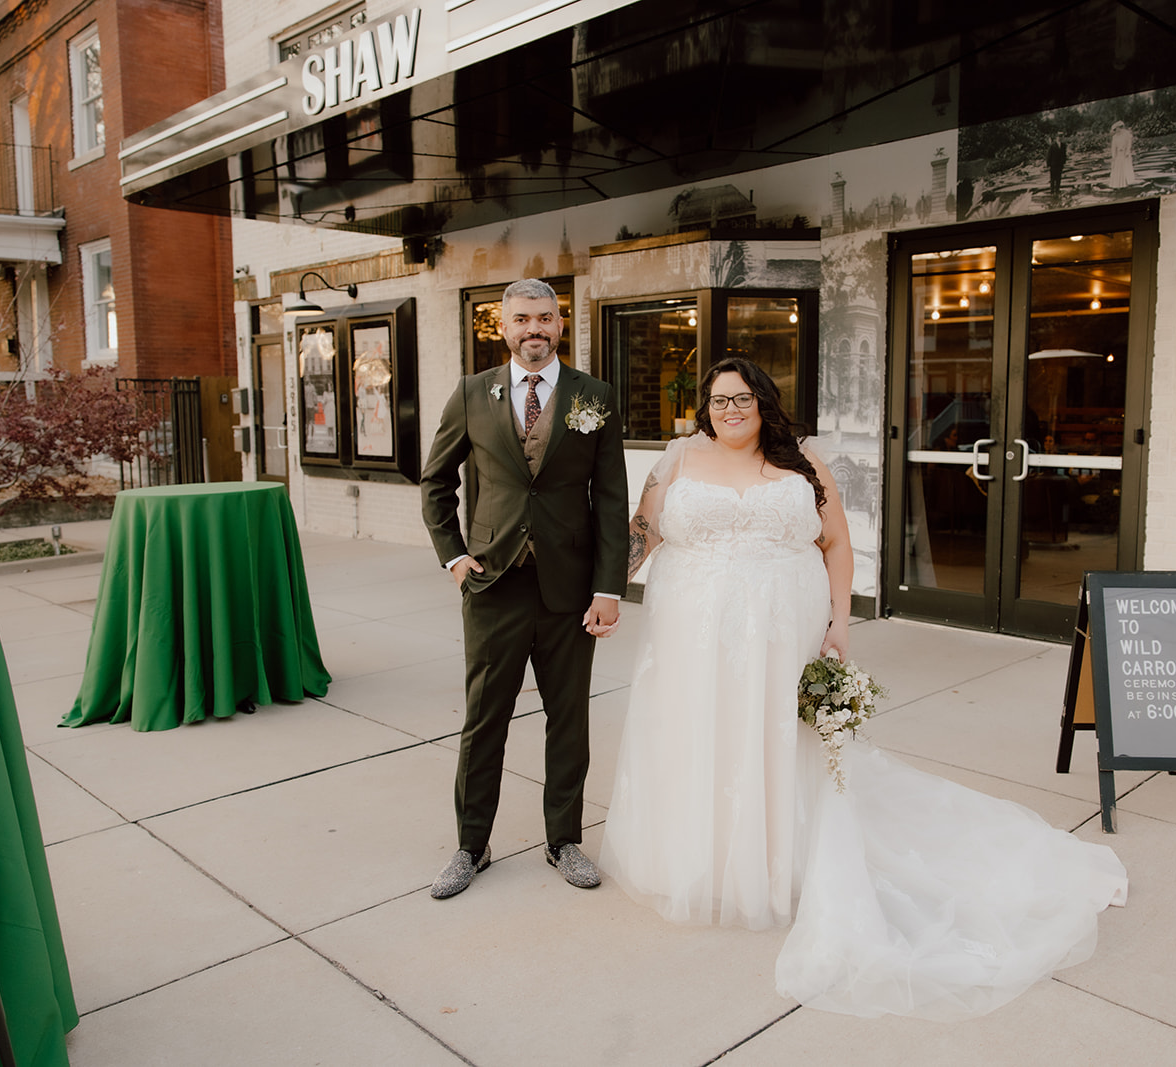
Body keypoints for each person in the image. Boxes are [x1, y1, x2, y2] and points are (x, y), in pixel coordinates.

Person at [599, 357, 1128, 1020]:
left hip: (782, 632)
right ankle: (708, 859)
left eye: (742, 398)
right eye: (717, 400)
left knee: (779, 741)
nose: (729, 410)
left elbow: (838, 542)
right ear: (704, 407)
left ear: (764, 402)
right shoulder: (677, 461)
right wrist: (603, 591)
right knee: (701, 732)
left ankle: (776, 860)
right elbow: (640, 536)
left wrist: (840, 624)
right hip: (691, 635)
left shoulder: (802, 462)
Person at [421, 278, 629, 898]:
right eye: (521, 319)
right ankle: (471, 845)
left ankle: (564, 840)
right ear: (503, 326)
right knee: (484, 720)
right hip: (493, 585)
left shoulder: (595, 396)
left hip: (570, 589)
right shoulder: (470, 394)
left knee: (569, 719)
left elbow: (611, 499)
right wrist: (454, 557)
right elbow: (435, 483)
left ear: (560, 324)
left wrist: (609, 588)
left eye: (544, 317)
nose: (533, 328)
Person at [1107, 120, 1136, 189]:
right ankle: (1119, 184)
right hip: (1118, 155)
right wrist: (1114, 156)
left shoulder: (1126, 134)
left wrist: (1127, 151)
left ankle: (1127, 182)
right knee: (1118, 168)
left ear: (1119, 128)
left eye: (1116, 129)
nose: (1116, 131)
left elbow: (1129, 144)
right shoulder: (1115, 137)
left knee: (1126, 167)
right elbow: (1113, 148)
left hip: (1125, 153)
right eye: (1114, 130)